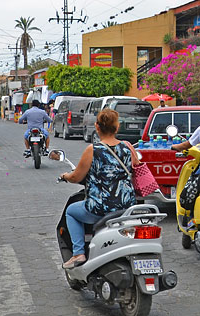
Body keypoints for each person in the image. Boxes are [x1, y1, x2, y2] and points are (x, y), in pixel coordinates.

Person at [59, 108, 140, 269]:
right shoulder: (127, 147)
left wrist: (65, 176)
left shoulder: (93, 150)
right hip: (126, 207)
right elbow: (137, 168)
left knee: (71, 211)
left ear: (97, 127)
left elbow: (76, 177)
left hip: (100, 207)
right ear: (117, 128)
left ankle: (78, 253)